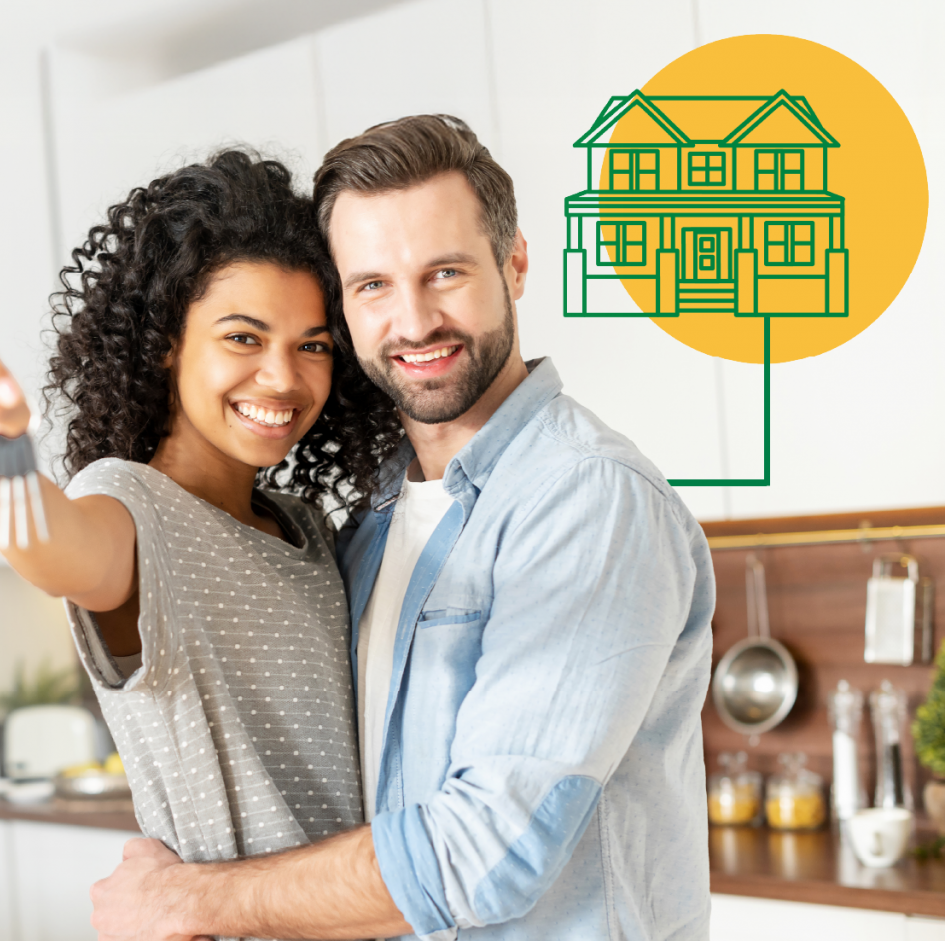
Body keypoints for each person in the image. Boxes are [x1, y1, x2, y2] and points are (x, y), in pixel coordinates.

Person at [85, 115, 717, 940]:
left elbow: (486, 850)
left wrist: (192, 899)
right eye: (372, 285)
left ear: (515, 263)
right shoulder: (370, 524)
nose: (413, 322)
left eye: (445, 272)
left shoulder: (586, 499)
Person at [0, 149, 400, 869]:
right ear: (165, 345)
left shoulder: (303, 528)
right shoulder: (131, 505)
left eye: (311, 345)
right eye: (242, 337)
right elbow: (67, 551)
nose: (282, 377)